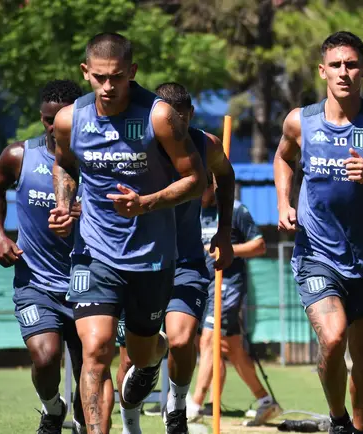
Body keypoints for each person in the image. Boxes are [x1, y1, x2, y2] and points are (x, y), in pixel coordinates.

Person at [49, 32, 222, 434]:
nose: (108, 87)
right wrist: (63, 204)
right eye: (100, 77)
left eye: (118, 77)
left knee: (143, 354)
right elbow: (63, 166)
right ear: (85, 72)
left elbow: (196, 180)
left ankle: (155, 353)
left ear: (133, 71)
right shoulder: (69, 120)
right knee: (95, 350)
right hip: (93, 253)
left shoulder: (159, 116)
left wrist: (147, 203)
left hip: (151, 257)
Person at [274, 31, 363, 434]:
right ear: (322, 71)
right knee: (334, 338)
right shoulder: (299, 121)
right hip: (316, 254)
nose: (344, 72)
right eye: (336, 65)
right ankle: (337, 418)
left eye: (351, 64)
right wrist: (284, 203)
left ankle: (358, 428)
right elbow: (284, 158)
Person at [113, 82, 235, 434]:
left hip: (185, 264)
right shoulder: (133, 144)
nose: (173, 126)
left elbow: (226, 177)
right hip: (137, 262)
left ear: (189, 116)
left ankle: (177, 407)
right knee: (135, 358)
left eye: (180, 118)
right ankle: (130, 426)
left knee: (182, 340)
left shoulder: (205, 144)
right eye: (167, 118)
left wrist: (224, 231)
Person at [0, 79, 86, 433]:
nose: (54, 126)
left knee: (92, 368)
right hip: (36, 281)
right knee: (45, 359)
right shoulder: (19, 156)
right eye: (47, 119)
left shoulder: (99, 161)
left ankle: (88, 416)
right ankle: (52, 408)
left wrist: (85, 211)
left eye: (61, 119)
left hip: (90, 280)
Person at [186, 182, 282, 426]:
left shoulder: (236, 210)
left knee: (210, 339)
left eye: (203, 189)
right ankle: (265, 400)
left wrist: (230, 249)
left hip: (227, 286)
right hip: (202, 287)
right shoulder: (195, 210)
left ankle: (193, 406)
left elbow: (259, 245)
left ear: (213, 186)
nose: (200, 195)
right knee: (231, 349)